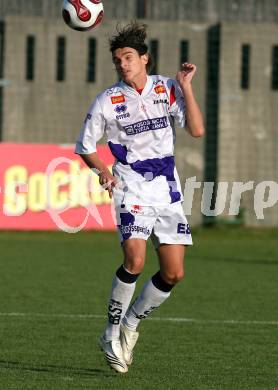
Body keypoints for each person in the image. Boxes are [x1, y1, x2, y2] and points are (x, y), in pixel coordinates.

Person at [75, 21, 205, 373]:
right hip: (130, 186)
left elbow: (196, 130)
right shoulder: (107, 100)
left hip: (166, 189)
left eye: (128, 57)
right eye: (118, 60)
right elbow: (85, 147)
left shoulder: (168, 88)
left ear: (144, 59)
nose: (123, 64)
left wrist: (187, 88)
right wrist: (102, 169)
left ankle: (131, 323)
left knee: (174, 273)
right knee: (134, 260)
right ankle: (110, 332)